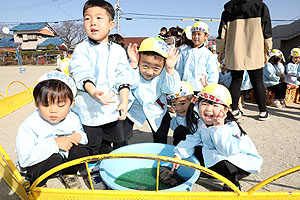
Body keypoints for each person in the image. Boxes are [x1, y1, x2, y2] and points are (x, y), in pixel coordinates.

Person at [69, 0, 132, 155]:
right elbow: (80, 72)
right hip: (88, 110)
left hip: (111, 108)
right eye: (87, 18)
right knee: (92, 144)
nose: (92, 23)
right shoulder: (81, 49)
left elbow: (123, 76)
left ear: (111, 24)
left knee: (115, 139)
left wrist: (124, 101)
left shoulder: (118, 50)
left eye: (98, 18)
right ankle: (91, 169)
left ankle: (108, 164)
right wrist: (93, 91)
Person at [172, 84, 263, 191]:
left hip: (237, 162)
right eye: (204, 104)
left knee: (221, 161)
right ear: (198, 105)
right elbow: (192, 139)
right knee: (196, 150)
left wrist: (219, 128)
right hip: (217, 154)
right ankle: (207, 172)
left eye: (215, 106)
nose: (208, 109)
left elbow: (227, 151)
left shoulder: (229, 127)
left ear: (225, 110)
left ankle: (231, 183)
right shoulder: (202, 123)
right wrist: (179, 154)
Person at [15, 71, 90, 189]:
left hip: (62, 155)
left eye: (60, 105)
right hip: (39, 161)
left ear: (71, 104)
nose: (53, 111)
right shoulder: (29, 125)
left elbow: (82, 135)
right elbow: (25, 159)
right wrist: (55, 143)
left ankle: (68, 173)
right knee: (54, 159)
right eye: (46, 104)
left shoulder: (73, 117)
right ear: (36, 103)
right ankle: (37, 181)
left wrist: (79, 136)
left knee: (82, 150)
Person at [216, 0, 273, 121]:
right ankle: (263, 111)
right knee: (257, 81)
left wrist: (220, 51)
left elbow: (222, 32)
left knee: (236, 80)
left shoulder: (228, 9)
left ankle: (235, 110)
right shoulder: (260, 6)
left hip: (235, 50)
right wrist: (268, 49)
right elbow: (266, 30)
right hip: (255, 49)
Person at [126, 37, 181, 144]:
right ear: (139, 59)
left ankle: (159, 156)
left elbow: (172, 89)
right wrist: (133, 64)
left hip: (157, 107)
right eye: (145, 66)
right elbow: (128, 83)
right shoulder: (133, 66)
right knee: (122, 135)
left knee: (161, 135)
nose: (150, 72)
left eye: (156, 68)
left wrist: (170, 69)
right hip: (134, 106)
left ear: (163, 65)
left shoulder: (166, 71)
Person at [176, 22, 219, 94]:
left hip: (201, 88)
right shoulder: (184, 52)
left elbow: (213, 73)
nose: (196, 37)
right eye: (194, 34)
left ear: (206, 36)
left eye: (199, 34)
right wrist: (178, 84)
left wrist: (210, 87)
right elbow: (179, 69)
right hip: (185, 87)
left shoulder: (208, 54)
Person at [166, 81, 199, 145]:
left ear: (192, 100)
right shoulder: (179, 116)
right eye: (174, 105)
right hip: (184, 143)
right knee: (180, 130)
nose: (179, 108)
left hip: (197, 144)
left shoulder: (198, 113)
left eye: (183, 103)